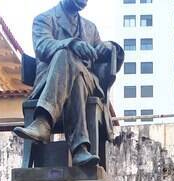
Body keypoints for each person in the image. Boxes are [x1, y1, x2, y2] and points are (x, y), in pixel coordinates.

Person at [13, 0, 122, 168]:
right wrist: (71, 43)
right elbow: (43, 46)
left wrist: (109, 47)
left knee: (74, 68)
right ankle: (79, 149)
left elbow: (104, 50)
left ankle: (43, 122)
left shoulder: (90, 28)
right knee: (67, 58)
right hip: (50, 81)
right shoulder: (44, 19)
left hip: (89, 84)